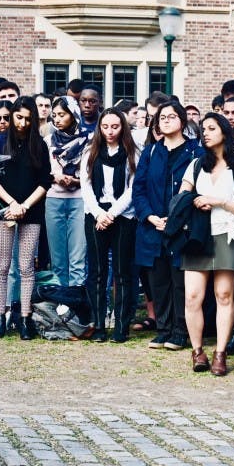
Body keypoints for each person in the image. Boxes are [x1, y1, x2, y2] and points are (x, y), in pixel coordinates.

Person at [179, 112, 234, 376]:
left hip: (229, 233)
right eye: (203, 129)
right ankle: (197, 350)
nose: (206, 133)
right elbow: (181, 199)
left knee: (224, 295)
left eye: (212, 128)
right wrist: (193, 200)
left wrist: (219, 201)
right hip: (198, 235)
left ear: (225, 131)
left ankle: (220, 353)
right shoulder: (196, 165)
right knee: (192, 297)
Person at [133, 101, 203, 351]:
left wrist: (177, 219)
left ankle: (180, 331)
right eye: (162, 117)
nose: (166, 120)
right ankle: (163, 329)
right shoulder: (151, 152)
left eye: (172, 116)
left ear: (183, 122)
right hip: (153, 226)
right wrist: (150, 216)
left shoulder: (196, 152)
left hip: (182, 228)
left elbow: (199, 189)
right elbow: (138, 189)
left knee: (180, 281)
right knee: (158, 280)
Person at [0, 95, 51, 339]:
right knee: (2, 266)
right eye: (19, 117)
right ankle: (0, 316)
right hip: (3, 210)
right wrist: (12, 204)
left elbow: (45, 181)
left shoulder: (40, 145)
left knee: (26, 267)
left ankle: (24, 318)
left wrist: (24, 205)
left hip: (31, 210)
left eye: (27, 119)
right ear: (12, 115)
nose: (23, 123)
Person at [81, 108, 140, 343]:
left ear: (122, 127)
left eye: (115, 127)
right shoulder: (91, 152)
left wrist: (112, 214)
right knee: (96, 272)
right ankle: (98, 325)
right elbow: (85, 186)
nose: (110, 132)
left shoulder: (132, 153)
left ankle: (121, 325)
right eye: (105, 127)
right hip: (96, 215)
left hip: (123, 216)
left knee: (122, 271)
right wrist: (98, 213)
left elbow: (133, 188)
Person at [47, 96, 89, 288]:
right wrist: (55, 177)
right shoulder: (48, 141)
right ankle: (59, 303)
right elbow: (41, 170)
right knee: (57, 259)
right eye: (54, 115)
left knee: (77, 257)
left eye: (62, 115)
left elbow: (91, 172)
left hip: (79, 199)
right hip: (53, 199)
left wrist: (77, 180)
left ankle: (75, 305)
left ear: (73, 115)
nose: (57, 119)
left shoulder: (88, 140)